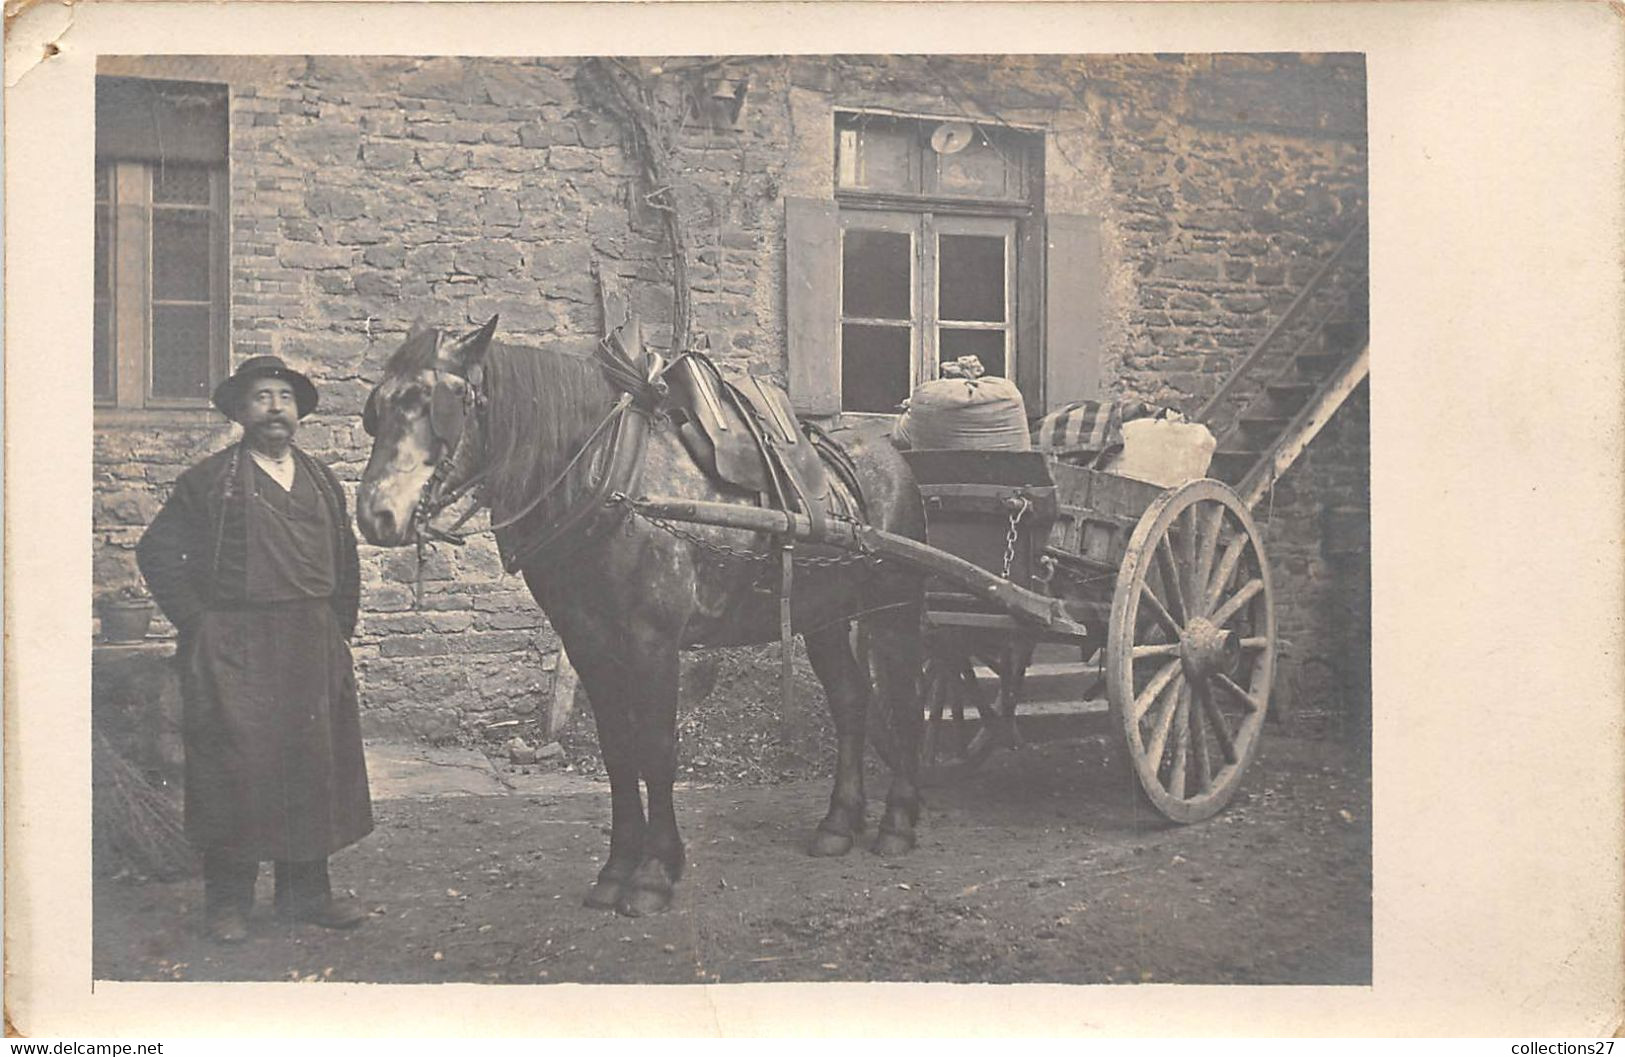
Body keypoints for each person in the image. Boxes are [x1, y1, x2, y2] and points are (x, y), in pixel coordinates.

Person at [137, 356, 371, 943]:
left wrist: (337, 631)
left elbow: (346, 561)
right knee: (233, 769)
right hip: (236, 645)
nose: (274, 407)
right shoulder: (209, 481)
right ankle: (229, 904)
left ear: (298, 413)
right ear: (241, 412)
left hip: (311, 643)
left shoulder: (322, 480)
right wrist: (199, 624)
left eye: (285, 397)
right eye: (262, 397)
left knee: (313, 765)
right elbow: (158, 553)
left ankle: (305, 895)